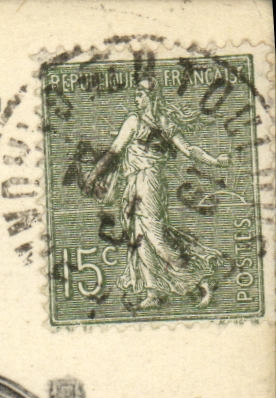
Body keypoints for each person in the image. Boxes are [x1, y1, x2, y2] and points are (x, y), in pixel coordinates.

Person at [83, 75, 230, 309]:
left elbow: (188, 149)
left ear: (151, 97)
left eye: (140, 94)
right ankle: (154, 292)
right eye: (136, 94)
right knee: (138, 237)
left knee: (156, 237)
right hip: (134, 183)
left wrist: (215, 161)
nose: (136, 98)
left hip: (149, 182)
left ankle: (200, 277)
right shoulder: (139, 120)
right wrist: (96, 174)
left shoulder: (156, 121)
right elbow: (115, 152)